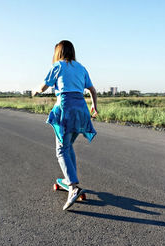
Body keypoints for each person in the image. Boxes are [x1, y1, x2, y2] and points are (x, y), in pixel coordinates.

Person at [33, 40, 98, 210]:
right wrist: (94, 107)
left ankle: (73, 186)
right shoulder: (81, 67)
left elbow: (43, 86)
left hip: (66, 109)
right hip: (82, 111)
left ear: (58, 53)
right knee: (68, 147)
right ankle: (70, 179)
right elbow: (92, 90)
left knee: (61, 150)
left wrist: (35, 90)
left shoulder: (58, 66)